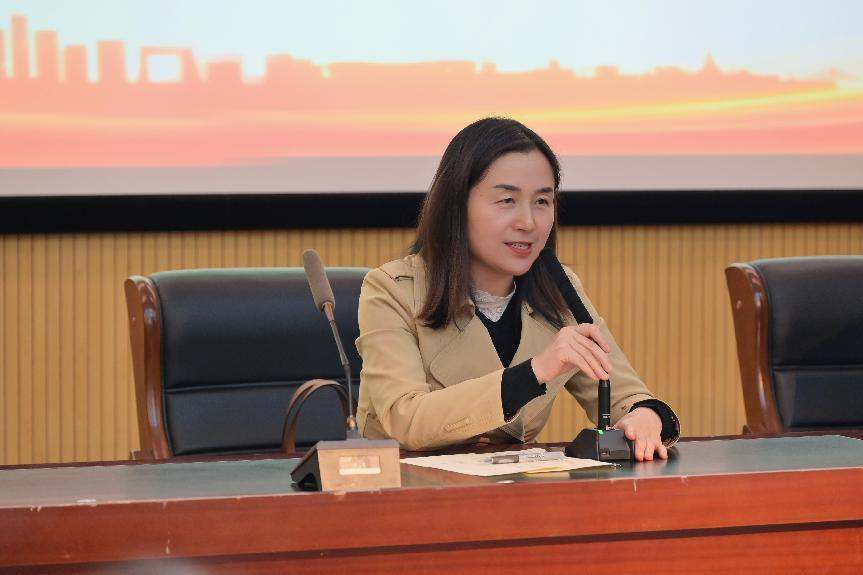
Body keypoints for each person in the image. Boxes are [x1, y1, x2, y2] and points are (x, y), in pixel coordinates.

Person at [355, 117, 679, 460]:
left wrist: (646, 416)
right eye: (507, 200)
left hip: (514, 483)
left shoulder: (559, 289)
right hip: (409, 483)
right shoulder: (392, 290)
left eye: (542, 201)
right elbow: (406, 420)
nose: (528, 222)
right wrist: (535, 372)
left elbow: (625, 397)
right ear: (457, 206)